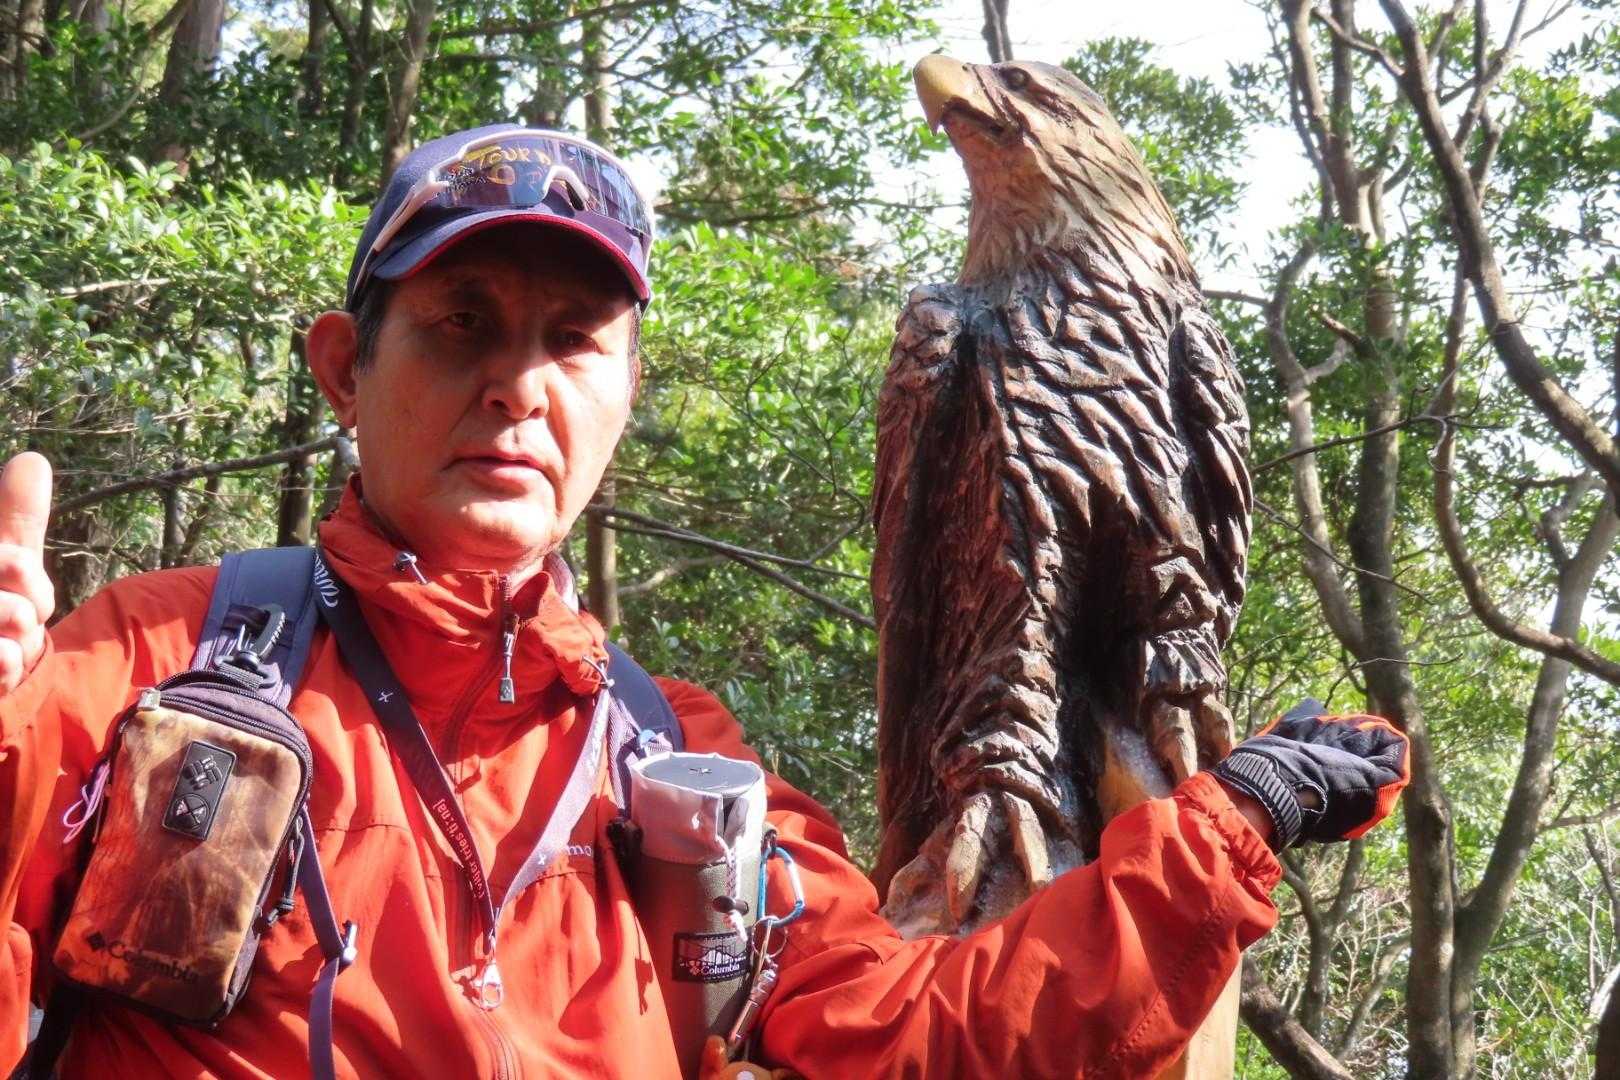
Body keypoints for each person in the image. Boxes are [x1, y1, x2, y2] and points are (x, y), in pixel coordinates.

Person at [0, 123, 1409, 1078]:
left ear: (626, 396)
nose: (518, 386)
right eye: (460, 322)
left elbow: (916, 1035)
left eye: (574, 341)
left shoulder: (672, 760)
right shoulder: (155, 661)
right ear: (341, 368)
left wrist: (1226, 829)